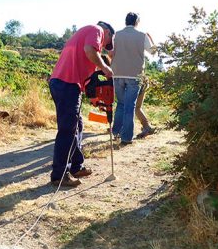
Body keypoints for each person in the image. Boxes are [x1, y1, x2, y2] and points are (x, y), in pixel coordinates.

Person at [48, 21, 114, 186]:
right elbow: (89, 50)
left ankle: (76, 166)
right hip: (66, 84)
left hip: (67, 84)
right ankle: (59, 175)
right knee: (67, 130)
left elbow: (87, 78)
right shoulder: (96, 29)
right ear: (107, 31)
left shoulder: (84, 35)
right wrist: (105, 67)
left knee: (77, 126)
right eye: (108, 41)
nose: (105, 46)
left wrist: (96, 100)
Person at [110, 12, 155, 145]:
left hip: (117, 74)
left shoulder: (115, 35)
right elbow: (153, 51)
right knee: (130, 106)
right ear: (137, 22)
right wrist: (151, 39)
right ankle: (126, 138)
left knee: (121, 104)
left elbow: (111, 53)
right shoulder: (142, 36)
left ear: (126, 21)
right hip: (134, 75)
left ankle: (116, 133)